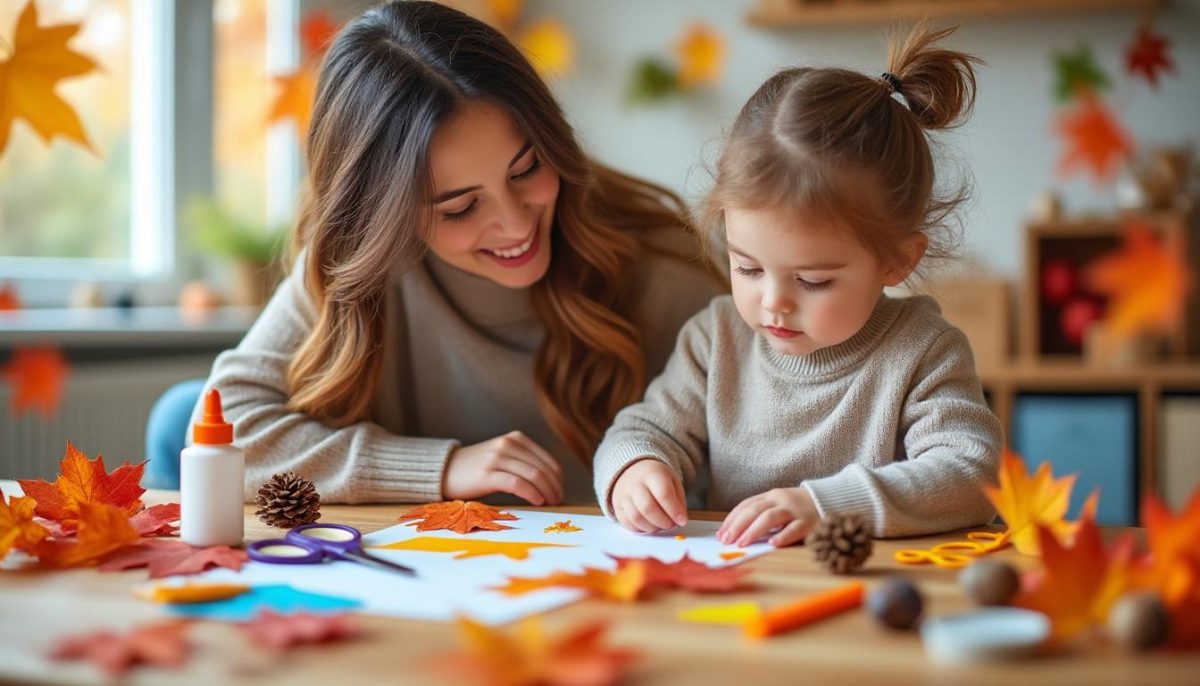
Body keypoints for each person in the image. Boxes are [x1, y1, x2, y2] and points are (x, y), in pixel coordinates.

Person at [190, 0, 724, 505]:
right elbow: (223, 433)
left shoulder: (663, 270)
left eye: (527, 170)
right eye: (460, 208)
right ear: (383, 214)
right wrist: (438, 469)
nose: (515, 223)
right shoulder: (357, 269)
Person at [594, 23, 1003, 545]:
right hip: (742, 595)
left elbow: (972, 474)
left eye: (812, 280)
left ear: (896, 261)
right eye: (747, 268)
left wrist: (827, 505)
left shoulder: (923, 349)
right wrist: (637, 469)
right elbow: (643, 430)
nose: (774, 303)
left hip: (876, 592)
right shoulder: (714, 339)